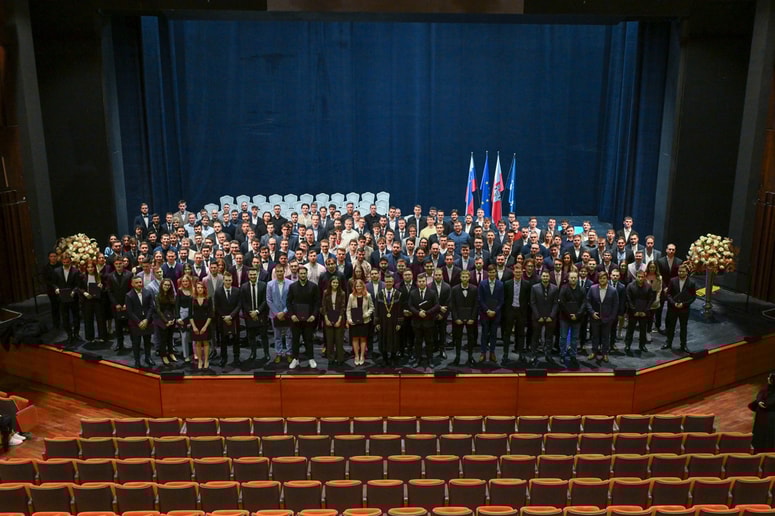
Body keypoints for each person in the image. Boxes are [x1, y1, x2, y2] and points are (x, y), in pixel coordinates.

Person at [287, 266, 320, 369]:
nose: (302, 275)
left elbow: (317, 303)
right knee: (295, 339)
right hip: (295, 319)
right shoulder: (292, 286)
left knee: (308, 339)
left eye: (304, 273)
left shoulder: (313, 286)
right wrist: (292, 315)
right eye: (301, 273)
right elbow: (288, 302)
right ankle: (295, 359)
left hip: (309, 318)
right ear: (298, 274)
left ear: (307, 274)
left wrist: (313, 315)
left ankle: (311, 358)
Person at [586, 271, 619, 362]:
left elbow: (615, 305)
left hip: (607, 319)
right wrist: (592, 312)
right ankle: (594, 352)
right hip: (595, 318)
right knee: (595, 336)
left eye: (604, 278)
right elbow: (587, 301)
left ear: (607, 279)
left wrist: (611, 318)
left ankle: (605, 353)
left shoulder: (613, 290)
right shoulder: (592, 288)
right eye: (600, 278)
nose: (602, 280)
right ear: (598, 279)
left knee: (606, 337)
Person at [409, 272, 440, 368]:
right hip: (417, 322)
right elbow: (410, 306)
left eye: (423, 281)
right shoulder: (413, 293)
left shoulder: (432, 292)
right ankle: (418, 359)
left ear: (426, 282)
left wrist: (427, 313)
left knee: (429, 342)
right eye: (420, 281)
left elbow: (437, 305)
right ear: (417, 282)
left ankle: (430, 359)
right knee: (417, 342)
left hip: (428, 321)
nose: (421, 283)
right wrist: (418, 313)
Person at [664, 264, 696, 352]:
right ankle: (668, 343)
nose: (680, 273)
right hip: (673, 308)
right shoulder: (672, 280)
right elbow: (668, 294)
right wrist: (673, 303)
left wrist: (684, 304)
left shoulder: (691, 283)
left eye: (683, 271)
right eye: (679, 271)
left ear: (686, 272)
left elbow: (693, 297)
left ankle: (683, 345)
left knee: (683, 327)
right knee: (671, 326)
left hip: (684, 309)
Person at [529, 270, 559, 365]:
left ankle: (548, 354)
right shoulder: (534, 288)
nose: (545, 278)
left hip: (550, 317)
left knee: (549, 337)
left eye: (547, 276)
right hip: (538, 317)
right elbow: (532, 303)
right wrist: (538, 316)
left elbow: (556, 303)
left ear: (549, 277)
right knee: (535, 337)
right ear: (541, 277)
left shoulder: (555, 288)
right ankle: (533, 355)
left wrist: (551, 316)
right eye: (544, 276)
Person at [450, 269, 478, 366]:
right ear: (460, 278)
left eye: (466, 277)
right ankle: (457, 357)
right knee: (458, 338)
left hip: (470, 318)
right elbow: (453, 305)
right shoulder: (454, 289)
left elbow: (476, 305)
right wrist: (456, 318)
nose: (465, 278)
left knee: (471, 338)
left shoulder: (474, 289)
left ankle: (470, 357)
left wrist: (472, 318)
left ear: (469, 277)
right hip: (458, 318)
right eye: (463, 277)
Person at [126, 276, 156, 369]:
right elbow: (129, 311)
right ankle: (137, 361)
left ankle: (148, 357)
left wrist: (146, 320)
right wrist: (139, 322)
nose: (139, 284)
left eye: (140, 282)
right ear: (132, 284)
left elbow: (151, 307)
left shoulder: (147, 292)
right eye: (137, 283)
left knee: (147, 341)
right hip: (135, 323)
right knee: (136, 343)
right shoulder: (129, 295)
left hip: (147, 321)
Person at [558, 271, 586, 369]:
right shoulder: (564, 288)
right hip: (565, 317)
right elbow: (561, 303)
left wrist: (577, 315)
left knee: (574, 338)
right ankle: (562, 354)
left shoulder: (582, 289)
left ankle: (573, 355)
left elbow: (584, 303)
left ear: (577, 278)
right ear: (568, 278)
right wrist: (569, 315)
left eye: (575, 278)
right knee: (563, 337)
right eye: (571, 278)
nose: (573, 279)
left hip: (577, 318)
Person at [241, 268, 269, 362]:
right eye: (251, 275)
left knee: (264, 335)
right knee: (251, 336)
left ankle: (266, 353)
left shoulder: (263, 285)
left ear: (257, 274)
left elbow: (265, 300)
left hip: (261, 314)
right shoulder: (244, 287)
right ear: (248, 275)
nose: (253, 276)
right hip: (249, 315)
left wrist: (257, 312)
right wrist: (251, 312)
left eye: (254, 274)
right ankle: (253, 353)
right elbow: (244, 302)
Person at [53, 253, 82, 346]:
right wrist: (56, 289)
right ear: (62, 261)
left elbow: (78, 285)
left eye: (67, 262)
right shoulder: (56, 271)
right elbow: (54, 283)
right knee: (65, 317)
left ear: (70, 261)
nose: (65, 263)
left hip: (73, 297)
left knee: (76, 316)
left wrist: (74, 291)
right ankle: (69, 335)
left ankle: (76, 334)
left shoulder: (76, 271)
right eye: (64, 262)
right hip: (62, 297)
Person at [214, 272, 242, 367]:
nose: (228, 282)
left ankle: (236, 358)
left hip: (234, 319)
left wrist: (231, 316)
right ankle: (223, 358)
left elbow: (239, 305)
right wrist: (224, 317)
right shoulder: (218, 291)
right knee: (223, 341)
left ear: (232, 280)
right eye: (226, 280)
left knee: (236, 340)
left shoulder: (237, 291)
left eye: (229, 280)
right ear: (223, 280)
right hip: (222, 319)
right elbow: (217, 306)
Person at [375, 274, 403, 367]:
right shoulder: (380, 294)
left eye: (390, 281)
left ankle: (393, 357)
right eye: (387, 282)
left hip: (394, 321)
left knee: (394, 339)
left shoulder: (398, 294)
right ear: (384, 282)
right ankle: (385, 358)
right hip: (383, 321)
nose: (388, 283)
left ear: (393, 282)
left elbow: (400, 309)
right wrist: (377, 322)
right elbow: (377, 309)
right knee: (383, 339)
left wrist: (399, 323)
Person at [478, 264, 504, 363]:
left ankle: (492, 352)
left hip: (496, 314)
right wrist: (487, 310)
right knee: (484, 334)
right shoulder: (482, 284)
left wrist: (495, 311)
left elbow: (501, 300)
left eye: (493, 272)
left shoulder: (500, 284)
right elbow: (480, 299)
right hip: (485, 313)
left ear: (496, 273)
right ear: (488, 273)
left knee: (493, 334)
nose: (492, 274)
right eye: (490, 272)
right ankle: (483, 352)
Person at [107, 258, 134, 354]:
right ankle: (120, 344)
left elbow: (132, 290)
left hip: (128, 304)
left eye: (120, 263)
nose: (118, 265)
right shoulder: (110, 276)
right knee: (118, 326)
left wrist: (127, 303)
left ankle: (134, 344)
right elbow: (110, 292)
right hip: (116, 305)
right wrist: (116, 304)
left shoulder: (129, 274)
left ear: (123, 264)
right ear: (114, 265)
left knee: (131, 326)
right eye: (116, 264)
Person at [347, 279, 375, 366]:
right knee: (355, 339)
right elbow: (348, 309)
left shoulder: (368, 295)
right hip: (354, 321)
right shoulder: (351, 296)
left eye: (360, 286)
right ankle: (356, 356)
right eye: (357, 286)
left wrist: (366, 314)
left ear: (363, 286)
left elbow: (372, 307)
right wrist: (349, 319)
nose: (358, 288)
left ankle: (362, 356)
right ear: (354, 287)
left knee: (363, 339)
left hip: (365, 321)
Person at [79, 260, 107, 343]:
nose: (90, 269)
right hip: (87, 300)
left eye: (92, 267)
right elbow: (79, 288)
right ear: (86, 268)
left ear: (94, 268)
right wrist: (84, 293)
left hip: (98, 300)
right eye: (88, 267)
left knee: (100, 319)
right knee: (88, 319)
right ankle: (90, 337)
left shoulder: (100, 276)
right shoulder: (82, 277)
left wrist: (102, 287)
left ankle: (102, 336)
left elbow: (106, 288)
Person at [322, 276, 347, 366]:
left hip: (339, 318)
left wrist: (339, 320)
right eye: (333, 282)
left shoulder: (342, 293)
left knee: (339, 340)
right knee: (330, 340)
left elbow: (342, 307)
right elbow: (324, 306)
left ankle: (340, 358)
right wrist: (326, 319)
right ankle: (331, 358)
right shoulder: (325, 292)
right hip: (328, 318)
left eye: (337, 283)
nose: (335, 284)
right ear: (330, 283)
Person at [749, 372, 775, 453]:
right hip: (761, 415)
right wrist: (759, 401)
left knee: (767, 435)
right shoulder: (767, 387)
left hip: (770, 417)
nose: (768, 378)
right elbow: (760, 394)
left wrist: (764, 404)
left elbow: (770, 403)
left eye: (770, 378)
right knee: (758, 433)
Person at [155, 278, 179, 366]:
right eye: (165, 285)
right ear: (162, 285)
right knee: (163, 339)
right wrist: (166, 321)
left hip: (171, 319)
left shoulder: (172, 295)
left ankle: (171, 353)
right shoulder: (157, 296)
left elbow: (174, 308)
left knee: (170, 338)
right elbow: (158, 310)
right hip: (162, 320)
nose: (167, 286)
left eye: (168, 285)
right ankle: (164, 355)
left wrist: (174, 319)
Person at [191, 281, 212, 370]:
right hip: (195, 323)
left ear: (204, 289)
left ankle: (206, 360)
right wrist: (194, 327)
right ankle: (200, 360)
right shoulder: (192, 299)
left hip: (206, 323)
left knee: (206, 342)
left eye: (201, 287)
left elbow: (210, 314)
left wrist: (205, 327)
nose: (200, 289)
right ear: (196, 289)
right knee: (198, 343)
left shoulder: (208, 299)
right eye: (198, 287)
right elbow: (190, 314)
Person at [176, 274, 194, 363]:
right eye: (183, 281)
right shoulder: (179, 291)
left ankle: (194, 353)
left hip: (192, 315)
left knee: (192, 336)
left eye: (186, 281)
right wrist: (178, 317)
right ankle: (186, 356)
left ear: (189, 282)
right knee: (184, 336)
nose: (185, 283)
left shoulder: (193, 290)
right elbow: (177, 305)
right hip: (182, 315)